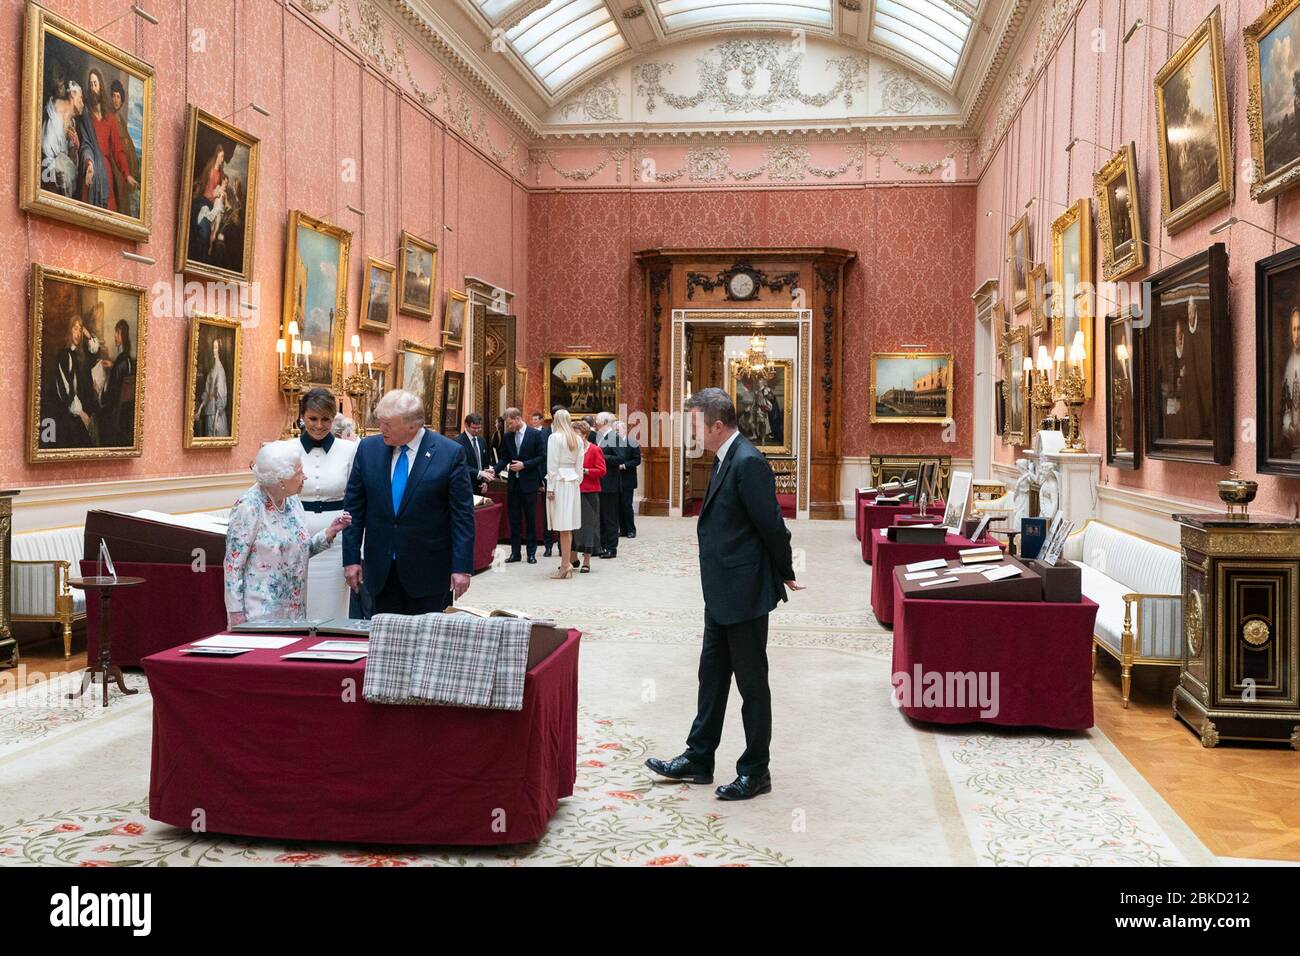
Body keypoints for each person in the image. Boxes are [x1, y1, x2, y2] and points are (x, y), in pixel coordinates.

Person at [646, 388, 802, 801]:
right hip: (719, 591)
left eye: (695, 424)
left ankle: (756, 770)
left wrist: (785, 570)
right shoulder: (722, 459)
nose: (689, 432)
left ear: (717, 425)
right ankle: (699, 758)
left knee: (752, 684)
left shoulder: (748, 462)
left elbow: (771, 524)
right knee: (711, 677)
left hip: (745, 590)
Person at [342, 389, 473, 614]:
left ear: (413, 426)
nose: (381, 429)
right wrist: (351, 558)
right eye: (380, 422)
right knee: (385, 641)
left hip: (429, 571)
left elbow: (462, 516)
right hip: (380, 570)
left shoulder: (449, 453)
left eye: (387, 424)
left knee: (427, 643)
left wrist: (462, 567)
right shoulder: (368, 449)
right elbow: (354, 508)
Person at [224, 440, 351, 626]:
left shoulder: (292, 502)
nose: (305, 477)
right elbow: (233, 565)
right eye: (299, 472)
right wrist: (235, 614)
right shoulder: (249, 507)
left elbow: (300, 551)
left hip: (294, 613)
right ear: (281, 479)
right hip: (258, 615)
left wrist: (328, 533)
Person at [295, 389, 358, 619]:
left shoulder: (350, 450)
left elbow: (357, 499)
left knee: (332, 609)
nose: (319, 425)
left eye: (326, 419)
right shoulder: (287, 449)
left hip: (338, 540)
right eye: (313, 418)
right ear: (302, 416)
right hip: (297, 537)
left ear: (334, 419)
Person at [494, 407, 546, 564]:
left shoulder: (535, 435)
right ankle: (515, 553)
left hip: (529, 484)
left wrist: (525, 464)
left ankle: (531, 553)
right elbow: (504, 457)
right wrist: (493, 470)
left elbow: (542, 456)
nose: (508, 426)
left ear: (517, 419)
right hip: (513, 485)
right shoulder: (508, 436)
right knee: (514, 520)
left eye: (510, 423)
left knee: (530, 519)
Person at [544, 409, 583, 579]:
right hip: (573, 483)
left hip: (559, 482)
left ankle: (565, 564)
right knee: (567, 526)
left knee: (562, 526)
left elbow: (551, 464)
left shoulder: (555, 437)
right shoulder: (577, 439)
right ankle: (565, 562)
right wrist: (576, 481)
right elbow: (579, 466)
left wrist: (550, 487)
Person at [573, 419, 606, 573]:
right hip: (573, 491)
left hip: (589, 493)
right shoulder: (571, 449)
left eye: (577, 433)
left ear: (585, 435)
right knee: (572, 526)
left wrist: (585, 471)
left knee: (588, 527)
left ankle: (587, 561)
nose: (574, 436)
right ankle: (572, 558)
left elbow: (602, 471)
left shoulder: (594, 450)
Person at [108, 79, 139, 218]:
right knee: (119, 184)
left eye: (118, 97)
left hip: (121, 160)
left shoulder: (120, 118)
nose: (115, 100)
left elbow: (126, 141)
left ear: (122, 100)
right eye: (113, 96)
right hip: (113, 158)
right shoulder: (109, 116)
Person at [594, 412, 623, 558]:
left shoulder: (614, 437)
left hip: (610, 484)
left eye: (597, 420)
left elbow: (620, 457)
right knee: (601, 517)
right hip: (600, 483)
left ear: (604, 421)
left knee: (610, 518)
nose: (595, 422)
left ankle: (611, 548)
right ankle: (602, 546)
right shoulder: (601, 437)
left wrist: (599, 456)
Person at [195, 336, 229, 437]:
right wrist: (199, 410)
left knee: (214, 435)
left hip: (216, 415)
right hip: (210, 411)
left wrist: (215, 422)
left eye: (215, 347)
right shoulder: (212, 369)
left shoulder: (220, 370)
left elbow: (221, 397)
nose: (213, 350)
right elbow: (207, 393)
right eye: (213, 347)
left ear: (219, 350)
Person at [532, 410, 555, 556]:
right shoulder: (543, 434)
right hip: (546, 480)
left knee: (562, 514)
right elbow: (541, 459)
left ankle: (562, 546)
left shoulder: (569, 435)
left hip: (563, 481)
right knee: (547, 514)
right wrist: (541, 480)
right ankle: (548, 546)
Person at [457, 412, 496, 494]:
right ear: (466, 425)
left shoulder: (482, 441)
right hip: (465, 486)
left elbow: (486, 464)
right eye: (474, 428)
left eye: (479, 428)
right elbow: (460, 466)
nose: (477, 430)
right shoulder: (458, 442)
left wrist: (485, 482)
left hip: (481, 486)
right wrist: (479, 473)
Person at [614, 419, 640, 538]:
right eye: (615, 430)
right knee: (618, 505)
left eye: (618, 430)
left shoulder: (632, 442)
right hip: (616, 479)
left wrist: (624, 466)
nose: (616, 432)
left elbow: (637, 460)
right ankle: (622, 530)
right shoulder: (613, 443)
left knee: (626, 505)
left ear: (624, 430)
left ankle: (631, 530)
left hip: (628, 479)